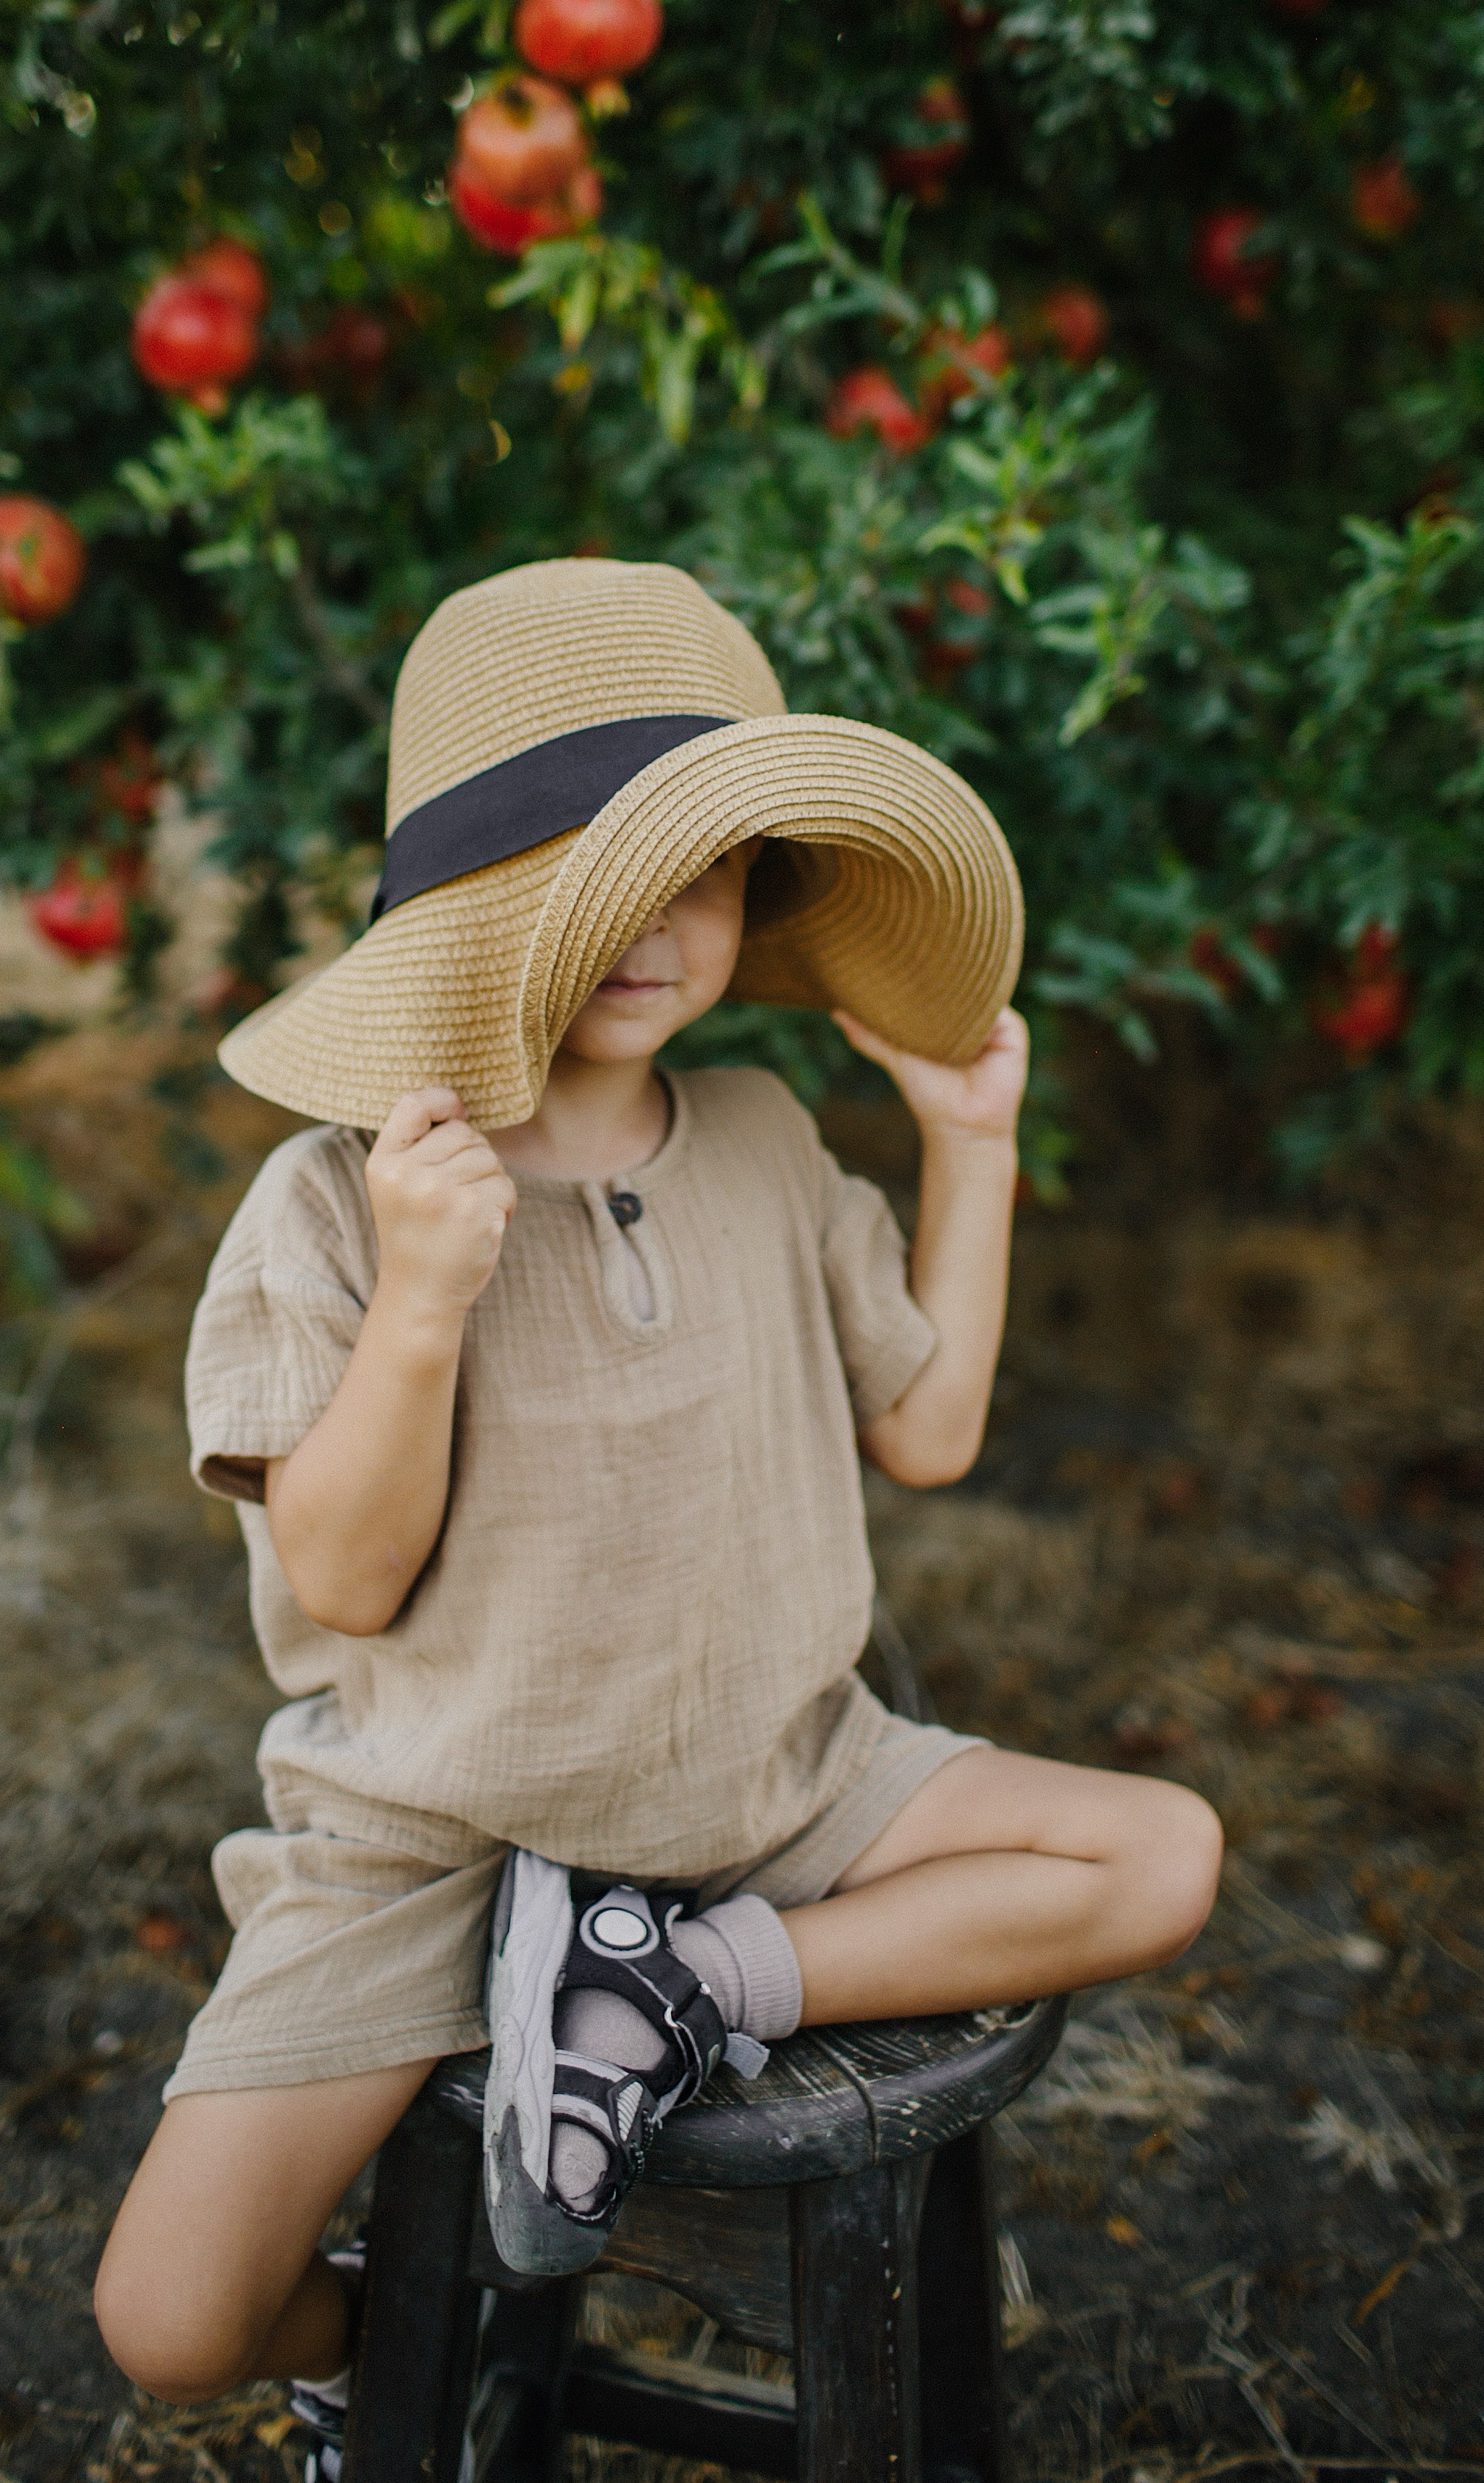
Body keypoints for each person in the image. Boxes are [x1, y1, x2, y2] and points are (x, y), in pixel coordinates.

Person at [93, 559, 1221, 2461]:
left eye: (700, 866)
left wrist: (971, 1144)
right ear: (466, 910)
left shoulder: (765, 1136)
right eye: (590, 870)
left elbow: (929, 1428)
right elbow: (347, 1580)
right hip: (445, 1833)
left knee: (1159, 1855)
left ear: (756, 891)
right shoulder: (340, 1197)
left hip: (778, 1779)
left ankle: (668, 1987)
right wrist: (427, 1295)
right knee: (170, 2317)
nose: (654, 919)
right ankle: (370, 2351)